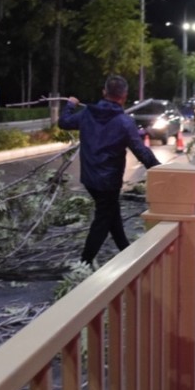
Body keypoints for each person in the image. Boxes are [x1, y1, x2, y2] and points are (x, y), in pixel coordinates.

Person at [59, 75, 161, 266]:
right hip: (109, 182)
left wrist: (70, 105)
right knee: (102, 222)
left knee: (111, 215)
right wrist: (164, 172)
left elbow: (64, 122)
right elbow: (141, 151)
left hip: (89, 179)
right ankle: (84, 264)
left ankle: (128, 252)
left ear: (104, 92)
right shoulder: (124, 122)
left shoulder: (87, 114)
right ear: (124, 96)